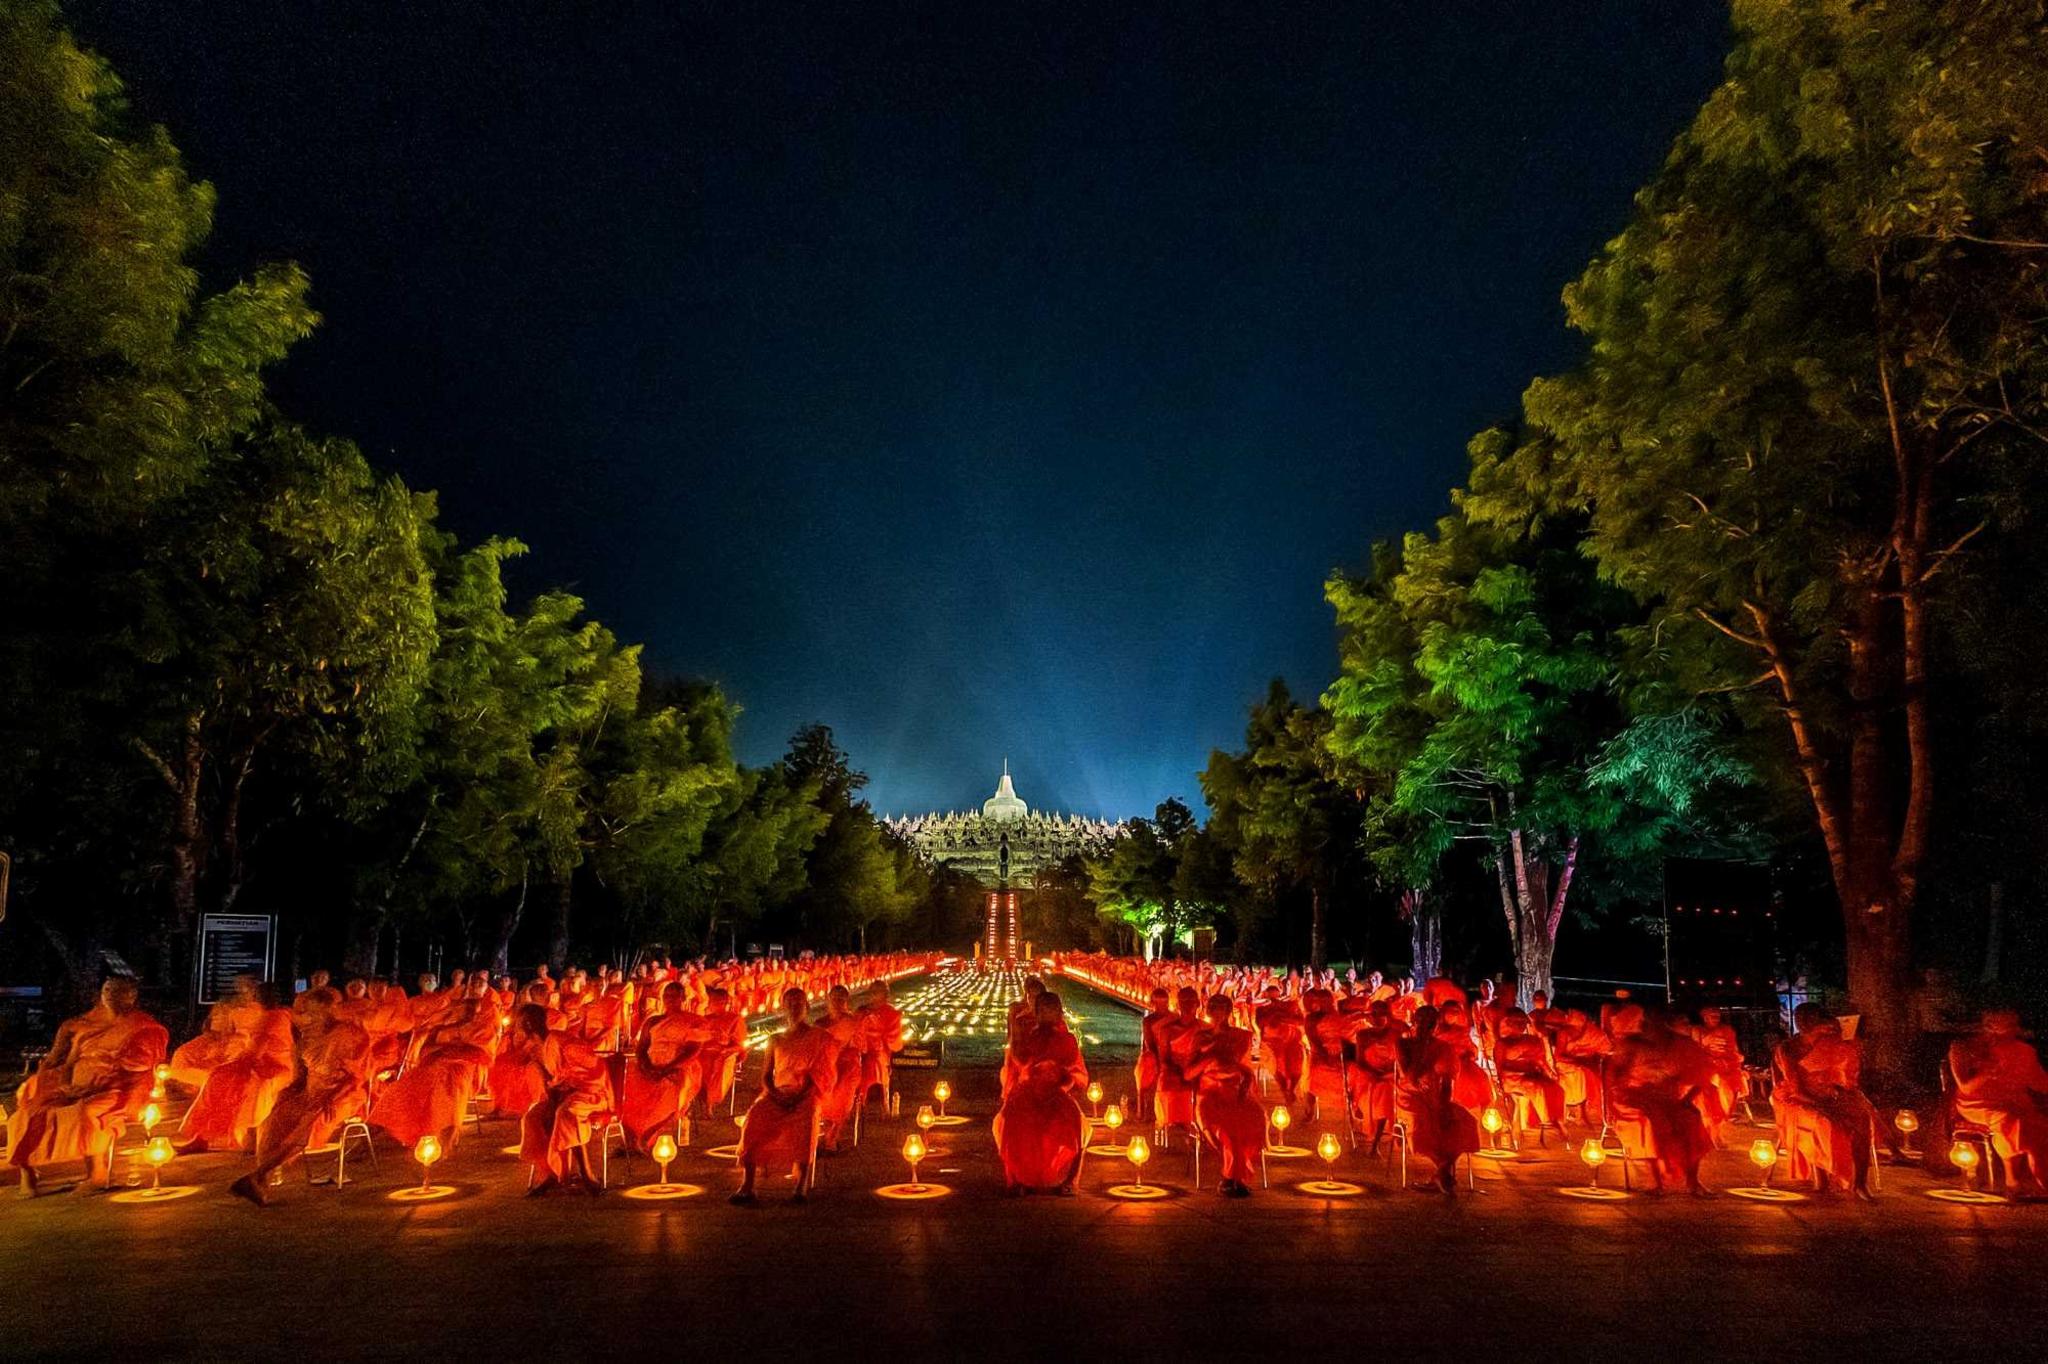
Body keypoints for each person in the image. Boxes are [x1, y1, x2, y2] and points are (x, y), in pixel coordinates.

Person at [9, 979, 168, 1196]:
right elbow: (66, 1062)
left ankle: (97, 1174)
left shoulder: (143, 1027)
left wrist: (96, 1087)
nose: (111, 994)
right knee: (26, 1114)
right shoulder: (85, 1026)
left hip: (117, 1089)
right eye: (107, 990)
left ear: (132, 996)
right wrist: (65, 1086)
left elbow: (140, 1068)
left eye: (118, 991)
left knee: (87, 1111)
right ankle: (28, 1175)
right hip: (76, 1087)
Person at [229, 992, 374, 1206]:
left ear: (329, 1011)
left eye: (315, 1012)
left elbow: (356, 1076)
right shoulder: (306, 1037)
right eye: (307, 1012)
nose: (309, 1017)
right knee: (277, 1116)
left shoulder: (348, 1033)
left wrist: (331, 1097)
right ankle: (262, 1179)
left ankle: (259, 1175)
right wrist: (289, 1093)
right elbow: (301, 1076)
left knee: (309, 1119)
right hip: (312, 1092)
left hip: (344, 1093)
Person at [731, 988, 836, 1205]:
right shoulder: (776, 1039)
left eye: (799, 1003)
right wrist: (776, 1095)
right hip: (777, 1093)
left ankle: (801, 1187)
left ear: (807, 1007)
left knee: (807, 1121)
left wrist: (798, 1097)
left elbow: (820, 1074)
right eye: (790, 1003)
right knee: (754, 1117)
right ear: (783, 1007)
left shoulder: (820, 1038)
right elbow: (767, 1077)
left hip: (807, 1094)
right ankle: (747, 1185)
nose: (794, 1007)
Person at [1772, 1003, 1879, 1198]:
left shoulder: (1830, 1042)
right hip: (1798, 1098)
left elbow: (1846, 1073)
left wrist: (1850, 1042)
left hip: (1830, 1094)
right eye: (1800, 1018)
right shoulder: (1788, 1047)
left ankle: (1860, 1182)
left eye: (1810, 1018)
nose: (1803, 1022)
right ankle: (1824, 1174)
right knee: (1826, 1122)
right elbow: (1797, 1089)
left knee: (1863, 1120)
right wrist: (1826, 1107)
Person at [1606, 1006, 1715, 1195]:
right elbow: (1615, 1074)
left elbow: (1700, 1074)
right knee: (1653, 1122)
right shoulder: (1632, 1043)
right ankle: (1656, 1182)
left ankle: (1693, 1181)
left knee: (1692, 1119)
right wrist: (1625, 1087)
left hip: (1668, 1098)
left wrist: (1687, 1099)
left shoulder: (1679, 1044)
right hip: (1634, 1097)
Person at [177, 981, 294, 1154]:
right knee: (218, 1076)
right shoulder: (256, 1014)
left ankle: (249, 1135)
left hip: (276, 1067)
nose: (255, 997)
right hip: (254, 1062)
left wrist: (238, 1065)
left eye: (258, 994)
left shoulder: (275, 1017)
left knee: (250, 1084)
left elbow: (256, 1051)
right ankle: (202, 1135)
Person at [994, 990, 1088, 1195]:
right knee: (1078, 1125)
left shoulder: (1032, 1038)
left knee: (1006, 1119)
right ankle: (1070, 1181)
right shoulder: (1066, 1040)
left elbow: (1020, 1064)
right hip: (1047, 1095)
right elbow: (1072, 1074)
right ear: (1060, 1014)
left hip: (1035, 1094)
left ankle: (1017, 1180)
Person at [1948, 1008, 2048, 1194]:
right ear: (1987, 1026)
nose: (2013, 1030)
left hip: (2015, 1102)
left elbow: (2039, 1081)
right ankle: (2012, 1179)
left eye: (2013, 1025)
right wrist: (1987, 1073)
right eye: (2005, 1026)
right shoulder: (1963, 1047)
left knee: (2039, 1126)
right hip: (1978, 1104)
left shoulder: (2024, 1051)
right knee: (2011, 1120)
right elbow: (1965, 1087)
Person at [516, 1005, 613, 1196]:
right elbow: (552, 1082)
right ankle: (552, 1173)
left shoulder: (563, 1041)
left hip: (592, 1093)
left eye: (519, 1024)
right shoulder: (539, 1048)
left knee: (566, 1113)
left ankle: (587, 1175)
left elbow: (595, 1072)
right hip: (565, 1094)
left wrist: (565, 1088)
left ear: (528, 1025)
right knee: (533, 1117)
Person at [1393, 1004, 1479, 1195]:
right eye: (1422, 1021)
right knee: (1420, 1123)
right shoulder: (1403, 1044)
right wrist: (1422, 1045)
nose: (1426, 1026)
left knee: (1462, 1121)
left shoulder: (1443, 1047)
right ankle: (1443, 1170)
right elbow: (1409, 1077)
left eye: (1431, 1023)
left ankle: (1442, 1172)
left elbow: (1447, 1081)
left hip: (1435, 1095)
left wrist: (1444, 1106)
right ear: (1414, 1022)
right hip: (1409, 1096)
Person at [1187, 993, 1265, 1198]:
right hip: (1210, 1094)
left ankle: (1233, 1176)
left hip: (1238, 1093)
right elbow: (1189, 1074)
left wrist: (1243, 1089)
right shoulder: (1201, 1038)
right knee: (1226, 1131)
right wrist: (1209, 1057)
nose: (1213, 1012)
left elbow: (1248, 1071)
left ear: (1228, 1012)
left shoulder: (1242, 1036)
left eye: (1219, 1008)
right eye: (1210, 1008)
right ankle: (1231, 1178)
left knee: (1253, 1121)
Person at [620, 982, 702, 1150]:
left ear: (683, 998)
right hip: (651, 1064)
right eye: (667, 995)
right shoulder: (653, 1021)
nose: (670, 999)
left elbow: (693, 1050)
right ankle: (632, 1136)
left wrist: (667, 1068)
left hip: (679, 1066)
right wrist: (645, 1065)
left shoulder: (693, 1021)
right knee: (626, 1089)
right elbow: (642, 1048)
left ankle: (650, 1134)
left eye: (674, 996)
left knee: (669, 1090)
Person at [816, 985, 865, 1152]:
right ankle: (817, 1132)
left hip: (847, 1067)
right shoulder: (820, 1023)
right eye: (833, 999)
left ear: (846, 1002)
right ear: (827, 1001)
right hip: (825, 1065)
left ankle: (832, 1136)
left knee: (842, 1094)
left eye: (840, 999)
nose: (836, 1003)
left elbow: (862, 1047)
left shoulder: (852, 1022)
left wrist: (845, 1047)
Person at [855, 980, 906, 1110]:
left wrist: (879, 1031)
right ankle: (859, 1109)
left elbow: (895, 1044)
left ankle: (882, 1109)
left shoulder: (892, 1015)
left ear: (885, 995)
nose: (872, 995)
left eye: (876, 992)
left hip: (879, 1058)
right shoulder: (861, 1012)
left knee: (879, 1084)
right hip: (860, 1057)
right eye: (871, 991)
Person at [1134, 987, 1172, 1118]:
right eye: (1158, 1004)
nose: (1161, 1007)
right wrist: (1157, 1058)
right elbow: (1148, 1041)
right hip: (1152, 1056)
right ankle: (1144, 1112)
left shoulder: (1173, 1018)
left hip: (1169, 1055)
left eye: (1164, 1003)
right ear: (1153, 1004)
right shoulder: (1148, 1020)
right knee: (1144, 1078)